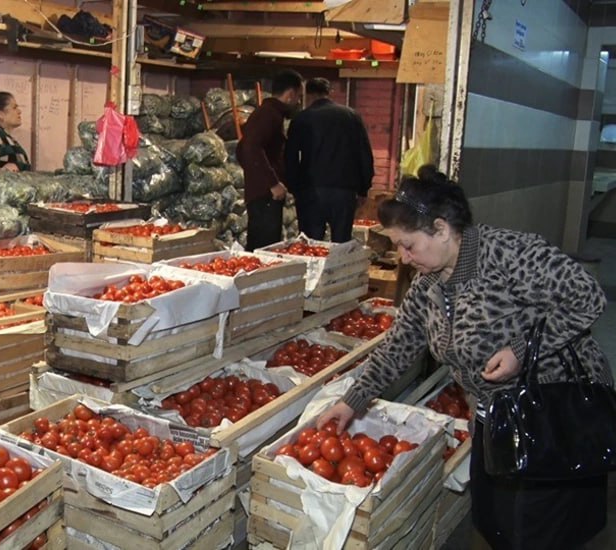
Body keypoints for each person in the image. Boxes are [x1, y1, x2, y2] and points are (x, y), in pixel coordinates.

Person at [317, 171, 612, 549]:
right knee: (495, 520)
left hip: (553, 414)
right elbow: (398, 346)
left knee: (540, 526)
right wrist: (351, 401)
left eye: (408, 246)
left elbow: (587, 298)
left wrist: (521, 352)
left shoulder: (511, 255)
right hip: (496, 418)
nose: (403, 258)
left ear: (441, 229)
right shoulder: (429, 286)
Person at [285, 77, 373, 243]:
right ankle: (338, 269)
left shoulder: (301, 119)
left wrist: (294, 187)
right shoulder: (351, 116)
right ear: (328, 93)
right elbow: (364, 153)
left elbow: (290, 157)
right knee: (341, 242)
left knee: (311, 244)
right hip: (344, 191)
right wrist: (363, 188)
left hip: (311, 190)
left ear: (308, 95)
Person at [236, 69, 303, 251]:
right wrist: (272, 183)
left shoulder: (271, 114)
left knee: (267, 244)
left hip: (265, 193)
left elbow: (244, 149)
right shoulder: (268, 115)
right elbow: (249, 148)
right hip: (264, 195)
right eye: (299, 97)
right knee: (263, 247)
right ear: (290, 95)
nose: (299, 102)